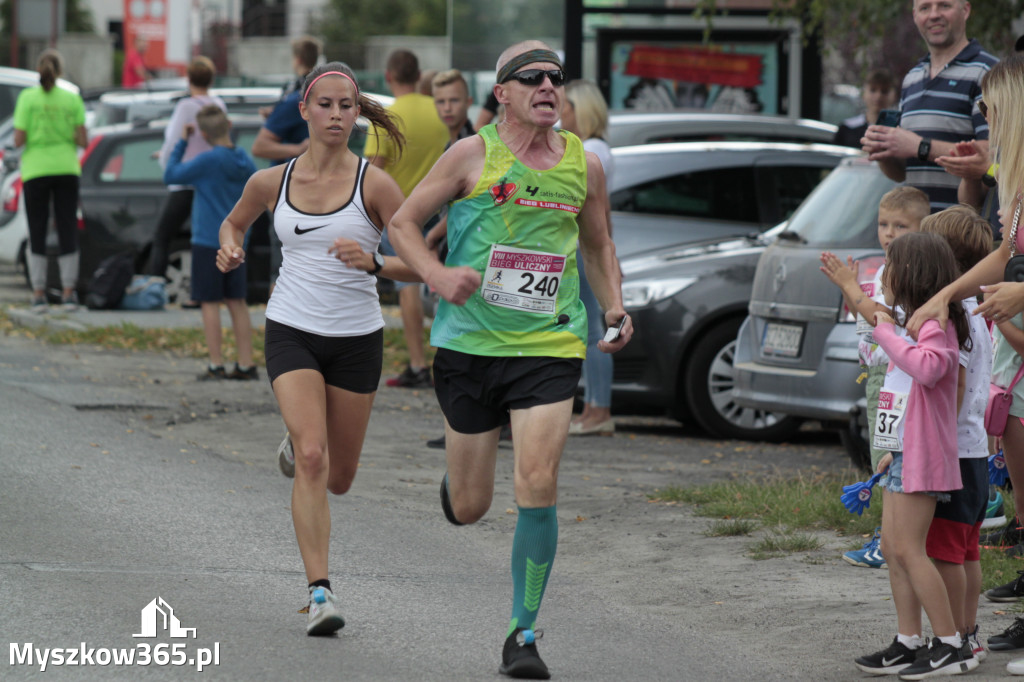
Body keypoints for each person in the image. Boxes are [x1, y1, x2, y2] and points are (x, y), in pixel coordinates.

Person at [387, 40, 632, 679]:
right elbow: (404, 225)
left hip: (548, 344)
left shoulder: (585, 164)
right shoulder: (472, 154)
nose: (549, 86)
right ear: (503, 93)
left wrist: (614, 308)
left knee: (538, 481)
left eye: (555, 77)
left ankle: (522, 633)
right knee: (470, 506)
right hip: (469, 346)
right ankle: (457, 484)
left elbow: (600, 243)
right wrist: (436, 276)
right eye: (532, 78)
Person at [216, 62, 416, 635]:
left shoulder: (374, 185)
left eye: (345, 106)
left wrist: (376, 262)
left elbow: (419, 264)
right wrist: (228, 250)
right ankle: (320, 593)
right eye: (324, 104)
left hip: (356, 338)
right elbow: (234, 226)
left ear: (358, 115)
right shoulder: (270, 182)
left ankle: (306, 433)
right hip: (292, 327)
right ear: (303, 110)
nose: (335, 114)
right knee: (312, 457)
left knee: (340, 476)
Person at [853, 231, 976, 678]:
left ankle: (948, 643)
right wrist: (889, 448)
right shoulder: (914, 322)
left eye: (890, 268)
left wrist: (884, 331)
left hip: (923, 455)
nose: (884, 277)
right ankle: (908, 641)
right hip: (903, 450)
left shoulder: (935, 323)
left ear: (910, 275)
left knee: (909, 548)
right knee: (892, 547)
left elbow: (928, 367)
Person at [820, 186, 930, 569]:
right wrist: (850, 293)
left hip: (893, 374)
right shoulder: (885, 266)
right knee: (882, 452)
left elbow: (882, 319)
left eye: (901, 225)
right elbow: (864, 317)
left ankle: (891, 539)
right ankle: (892, 534)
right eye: (883, 224)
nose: (888, 232)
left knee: (887, 455)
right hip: (878, 371)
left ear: (923, 228)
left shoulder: (909, 269)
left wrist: (851, 288)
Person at [918, 205, 994, 662]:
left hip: (954, 452)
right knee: (967, 551)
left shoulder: (953, 315)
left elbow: (956, 386)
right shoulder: (976, 312)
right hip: (975, 451)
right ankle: (970, 633)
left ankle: (955, 639)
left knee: (947, 552)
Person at [861, 0, 997, 213]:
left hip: (964, 235)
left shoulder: (988, 74)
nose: (934, 15)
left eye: (944, 5)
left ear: (966, 10)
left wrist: (920, 146)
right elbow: (903, 173)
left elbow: (991, 156)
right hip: (917, 234)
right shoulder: (911, 79)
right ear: (915, 16)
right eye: (925, 8)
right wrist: (884, 152)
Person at [364, 49, 448, 389]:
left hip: (401, 214)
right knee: (443, 282)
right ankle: (446, 358)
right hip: (441, 211)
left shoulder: (388, 116)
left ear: (389, 77)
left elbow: (372, 172)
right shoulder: (440, 111)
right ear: (418, 74)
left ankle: (417, 363)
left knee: (409, 286)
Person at [164, 106, 258, 380]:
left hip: (208, 239)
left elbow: (171, 175)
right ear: (229, 124)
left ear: (203, 134)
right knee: (236, 301)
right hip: (238, 240)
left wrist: (182, 141)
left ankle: (216, 363)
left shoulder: (207, 161)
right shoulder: (244, 159)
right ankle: (246, 363)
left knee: (209, 301)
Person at [561, 79, 616, 436]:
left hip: (582, 246)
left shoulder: (589, 149)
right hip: (585, 245)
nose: (560, 113)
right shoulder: (597, 148)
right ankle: (595, 407)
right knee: (590, 324)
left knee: (592, 327)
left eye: (566, 106)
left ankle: (598, 409)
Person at [14, 49, 87, 313]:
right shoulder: (71, 98)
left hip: (36, 169)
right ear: (60, 71)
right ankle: (68, 292)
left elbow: (18, 139)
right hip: (66, 167)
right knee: (67, 226)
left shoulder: (27, 98)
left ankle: (38, 293)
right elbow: (83, 139)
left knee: (37, 229)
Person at [149, 56, 227, 302]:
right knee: (205, 239)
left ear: (189, 78)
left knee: (162, 236)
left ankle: (155, 291)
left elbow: (174, 140)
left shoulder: (186, 106)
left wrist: (165, 160)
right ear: (211, 79)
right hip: (211, 182)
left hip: (185, 182)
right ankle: (203, 293)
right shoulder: (219, 105)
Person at [252, 36, 321, 290]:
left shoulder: (295, 95)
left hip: (289, 188)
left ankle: (278, 323)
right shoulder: (315, 90)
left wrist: (296, 148)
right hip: (313, 186)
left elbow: (259, 145)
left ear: (297, 59)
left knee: (282, 264)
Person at [833, 68, 897, 148]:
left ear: (893, 96)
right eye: (873, 90)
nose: (878, 96)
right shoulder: (847, 128)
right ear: (864, 94)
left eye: (884, 91)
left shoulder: (898, 132)